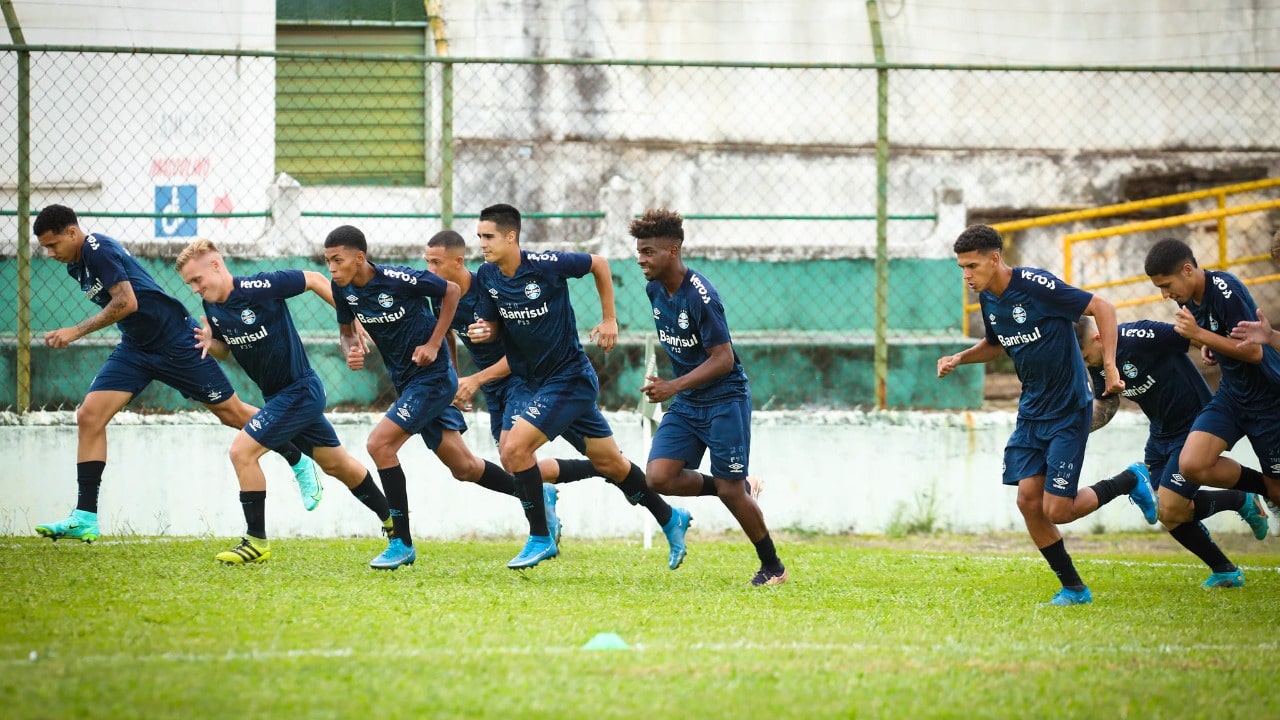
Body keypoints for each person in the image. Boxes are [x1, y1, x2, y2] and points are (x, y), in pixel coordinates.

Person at [30, 204, 320, 544]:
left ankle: (297, 458)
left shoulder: (98, 249)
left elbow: (127, 302)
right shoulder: (76, 266)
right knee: (89, 416)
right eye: (46, 248)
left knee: (232, 413)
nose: (50, 254)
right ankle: (85, 516)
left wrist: (75, 331)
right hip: (137, 348)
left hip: (176, 342)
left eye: (53, 245)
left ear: (72, 233)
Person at [937, 224, 1156, 606]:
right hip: (1031, 410)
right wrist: (960, 358)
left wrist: (1110, 366)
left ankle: (1128, 480)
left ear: (994, 259)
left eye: (971, 266)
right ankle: (1074, 588)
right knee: (1027, 501)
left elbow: (1102, 308)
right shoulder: (989, 297)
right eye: (961, 268)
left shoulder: (1036, 285)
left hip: (1069, 408)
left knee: (1058, 509)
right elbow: (996, 343)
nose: (966, 275)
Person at [469, 203, 690, 570]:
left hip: (568, 379)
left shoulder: (545, 265)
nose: (482, 244)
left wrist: (609, 319)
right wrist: (483, 330)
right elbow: (492, 324)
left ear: (511, 237)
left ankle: (541, 536)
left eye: (488, 236)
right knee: (610, 463)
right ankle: (669, 516)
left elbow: (599, 264)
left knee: (514, 451)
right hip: (529, 382)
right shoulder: (488, 276)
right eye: (479, 237)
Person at [324, 225, 558, 570]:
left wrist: (434, 344)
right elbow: (346, 333)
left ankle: (400, 542)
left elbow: (449, 291)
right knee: (463, 467)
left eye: (337, 260)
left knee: (379, 445)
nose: (331, 268)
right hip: (407, 383)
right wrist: (351, 348)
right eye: (328, 261)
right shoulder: (341, 288)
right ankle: (537, 494)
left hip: (432, 380)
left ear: (359, 258)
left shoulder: (398, 280)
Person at [175, 239, 398, 564]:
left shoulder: (259, 286)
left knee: (241, 452)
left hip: (300, 391)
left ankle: (256, 542)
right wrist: (212, 342)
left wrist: (349, 322)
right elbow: (225, 350)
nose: (195, 288)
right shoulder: (212, 307)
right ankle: (395, 524)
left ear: (215, 265)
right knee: (338, 465)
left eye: (197, 280)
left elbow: (314, 280)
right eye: (189, 284)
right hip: (280, 397)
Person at [629, 209, 787, 586]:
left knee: (730, 492)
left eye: (649, 251)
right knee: (659, 477)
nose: (641, 259)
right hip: (688, 401)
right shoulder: (654, 290)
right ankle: (739, 487)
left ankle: (773, 568)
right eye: (639, 251)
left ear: (674, 249)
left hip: (724, 399)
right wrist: (675, 386)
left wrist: (672, 386)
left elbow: (723, 358)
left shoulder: (702, 295)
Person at [1076, 316, 1269, 587]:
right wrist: (1073, 430)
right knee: (1166, 511)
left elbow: (1190, 336)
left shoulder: (1138, 335)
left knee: (1169, 506)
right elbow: (1106, 403)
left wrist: (1215, 350)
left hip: (1195, 426)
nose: (1086, 363)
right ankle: (1225, 568)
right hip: (1160, 433)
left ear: (1098, 338)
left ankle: (1254, 494)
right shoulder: (1099, 361)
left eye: (1084, 356)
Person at [423, 230, 601, 495]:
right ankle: (558, 494)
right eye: (426, 262)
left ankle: (598, 472)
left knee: (514, 454)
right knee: (513, 465)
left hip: (523, 380)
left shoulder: (488, 288)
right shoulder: (440, 296)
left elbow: (523, 349)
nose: (429, 269)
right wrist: (455, 381)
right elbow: (446, 332)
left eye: (436, 262)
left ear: (458, 262)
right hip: (493, 385)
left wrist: (476, 375)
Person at [1144, 237, 1280, 510]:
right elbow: (1221, 336)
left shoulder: (1225, 290)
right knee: (1192, 464)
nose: (1165, 295)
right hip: (1231, 395)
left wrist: (1200, 335)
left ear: (1186, 270)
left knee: (1279, 490)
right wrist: (1210, 344)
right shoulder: (1187, 298)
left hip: (1267, 400)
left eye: (1166, 286)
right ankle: (1260, 490)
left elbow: (1254, 352)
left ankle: (1273, 492)